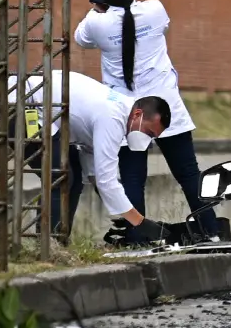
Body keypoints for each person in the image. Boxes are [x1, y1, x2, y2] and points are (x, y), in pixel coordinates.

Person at [74, 0, 216, 237]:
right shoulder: (155, 10)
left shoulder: (97, 23)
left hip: (128, 114)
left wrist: (98, 8)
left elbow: (80, 38)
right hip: (165, 109)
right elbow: (153, 23)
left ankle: (137, 237)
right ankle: (211, 231)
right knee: (188, 174)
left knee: (132, 178)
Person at [12, 70, 173, 244]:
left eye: (152, 136)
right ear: (137, 114)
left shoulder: (117, 112)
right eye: (148, 131)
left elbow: (95, 174)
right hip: (21, 104)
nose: (147, 138)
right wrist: (140, 223)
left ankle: (58, 241)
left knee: (72, 175)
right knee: (60, 175)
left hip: (38, 108)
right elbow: (106, 181)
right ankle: (48, 244)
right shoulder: (113, 118)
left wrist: (121, 212)